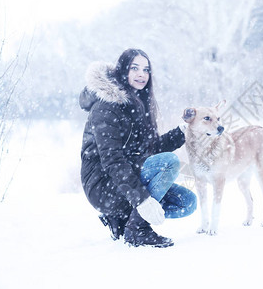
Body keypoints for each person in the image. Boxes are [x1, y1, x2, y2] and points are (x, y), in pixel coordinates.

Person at [79, 48, 196, 248]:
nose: (142, 74)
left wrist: (183, 129)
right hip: (103, 184)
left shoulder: (137, 104)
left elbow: (151, 147)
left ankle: (123, 219)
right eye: (135, 68)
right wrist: (142, 200)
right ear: (122, 70)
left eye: (146, 69)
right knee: (170, 163)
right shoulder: (105, 108)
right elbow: (112, 160)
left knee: (186, 202)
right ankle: (137, 229)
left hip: (128, 177)